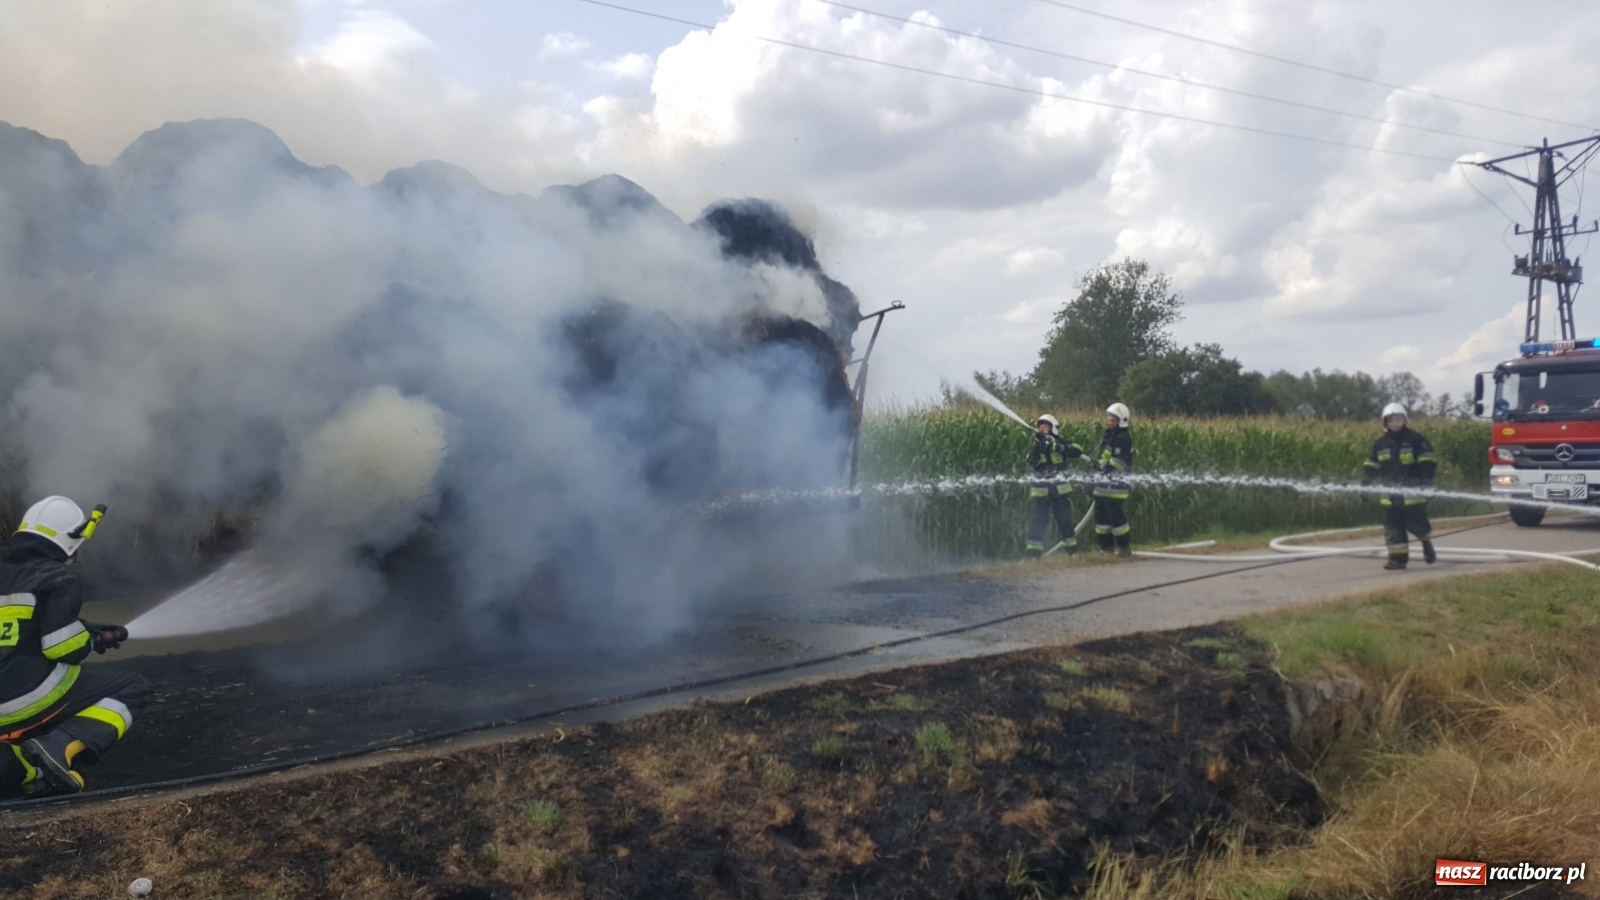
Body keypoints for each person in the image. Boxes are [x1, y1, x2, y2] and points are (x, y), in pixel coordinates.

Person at [0, 497, 147, 798]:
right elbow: (62, 647)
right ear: (70, 540)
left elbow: (23, 626)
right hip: (23, 702)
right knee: (132, 687)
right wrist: (92, 641)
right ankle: (59, 745)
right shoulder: (58, 577)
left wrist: (86, 628)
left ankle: (23, 765)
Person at [1362, 403, 1438, 570]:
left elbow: (1428, 462)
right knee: (1392, 528)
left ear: (1405, 420)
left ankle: (1426, 543)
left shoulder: (1416, 439)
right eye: (1391, 420)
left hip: (1412, 494)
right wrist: (1365, 486)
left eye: (1399, 419)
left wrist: (1427, 484)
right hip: (1389, 496)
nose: (1395, 423)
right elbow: (1371, 466)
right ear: (1385, 423)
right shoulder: (1380, 444)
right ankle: (1397, 560)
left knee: (1417, 525)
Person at [1025, 414, 1085, 557]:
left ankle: (1072, 553)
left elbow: (1077, 450)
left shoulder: (1060, 442)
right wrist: (1038, 447)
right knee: (1037, 524)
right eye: (1040, 426)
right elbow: (1030, 461)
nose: (1042, 428)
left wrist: (1059, 447)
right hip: (1041, 494)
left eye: (1046, 426)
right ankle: (1034, 556)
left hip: (1060, 493)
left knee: (1065, 522)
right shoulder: (1036, 446)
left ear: (1053, 428)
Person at [1092, 403, 1135, 556]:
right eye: (1109, 419)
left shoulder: (1123, 438)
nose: (1110, 422)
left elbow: (1119, 461)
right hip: (1103, 485)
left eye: (1113, 420)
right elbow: (1103, 455)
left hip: (1116, 487)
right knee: (1101, 520)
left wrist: (1103, 466)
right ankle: (1106, 548)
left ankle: (1124, 548)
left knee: (1116, 519)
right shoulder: (1109, 435)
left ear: (1122, 420)